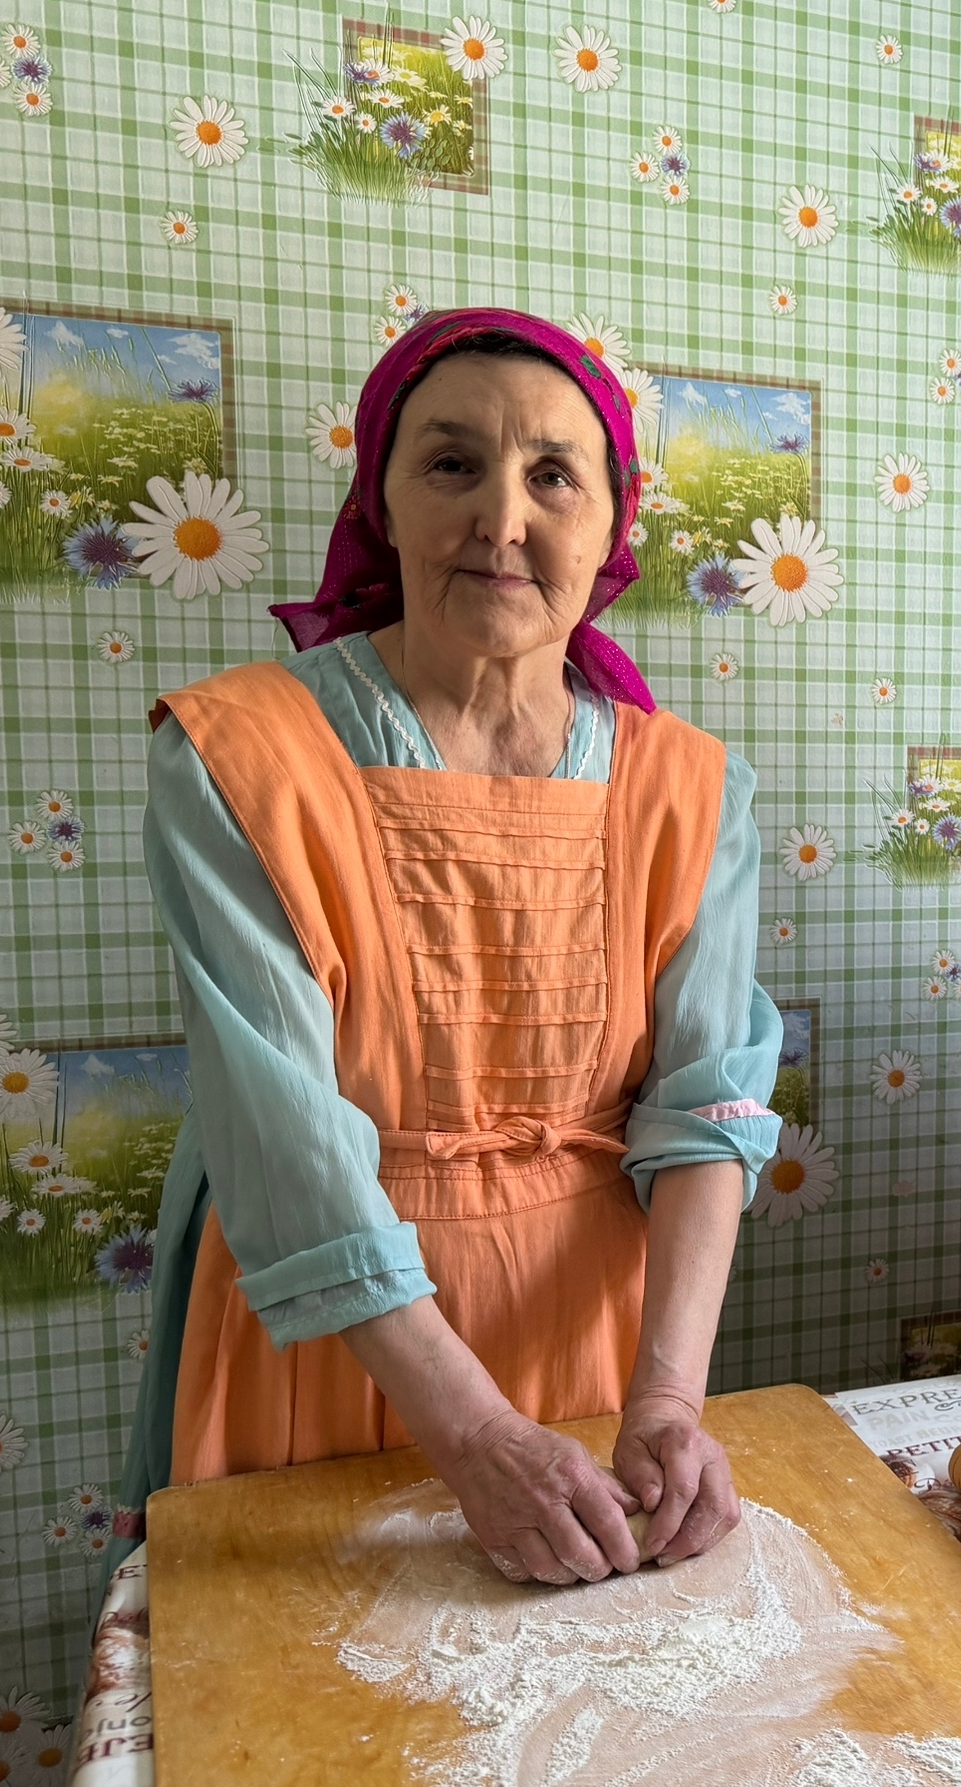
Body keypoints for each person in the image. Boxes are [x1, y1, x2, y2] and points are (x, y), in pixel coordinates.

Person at [115, 310, 782, 1586]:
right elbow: (281, 1137)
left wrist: (670, 1406)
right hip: (322, 1341)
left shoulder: (691, 791)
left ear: (610, 523)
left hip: (593, 1337)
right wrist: (472, 1432)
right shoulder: (241, 757)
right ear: (384, 499)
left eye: (552, 476)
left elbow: (711, 1108)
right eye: (452, 464)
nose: (503, 519)